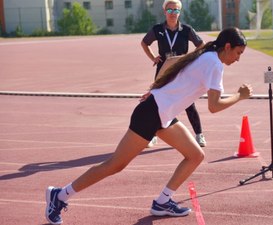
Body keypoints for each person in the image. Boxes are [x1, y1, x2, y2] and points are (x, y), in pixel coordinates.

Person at [45, 27, 251, 224]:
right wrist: (239, 96)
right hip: (152, 114)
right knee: (115, 165)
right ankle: (60, 195)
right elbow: (214, 106)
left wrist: (155, 90)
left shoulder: (204, 55)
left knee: (195, 155)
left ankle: (163, 202)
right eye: (238, 53)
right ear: (227, 47)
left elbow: (170, 62)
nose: (238, 59)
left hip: (162, 114)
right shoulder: (214, 64)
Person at [141, 0, 207, 147]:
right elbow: (144, 43)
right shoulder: (157, 29)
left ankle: (199, 134)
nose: (173, 13)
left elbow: (201, 45)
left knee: (189, 103)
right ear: (165, 12)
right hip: (163, 69)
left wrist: (190, 58)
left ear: (179, 12)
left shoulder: (186, 30)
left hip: (182, 69)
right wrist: (153, 57)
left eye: (176, 10)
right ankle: (152, 135)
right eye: (170, 10)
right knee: (157, 102)